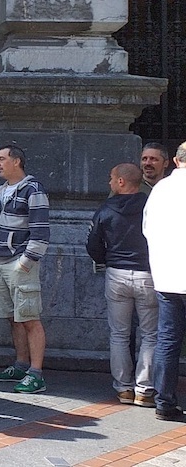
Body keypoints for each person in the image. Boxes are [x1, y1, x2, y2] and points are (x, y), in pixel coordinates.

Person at [87, 162, 156, 407]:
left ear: (121, 182)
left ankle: (124, 388)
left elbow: (93, 244)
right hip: (147, 273)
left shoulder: (105, 209)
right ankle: (144, 389)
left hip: (116, 272)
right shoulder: (151, 206)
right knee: (150, 335)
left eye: (111, 177)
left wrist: (106, 260)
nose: (108, 182)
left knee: (119, 334)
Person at [0, 144, 50, 394]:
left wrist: (25, 263)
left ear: (17, 161)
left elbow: (41, 231)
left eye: (1, 158)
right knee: (13, 317)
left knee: (30, 318)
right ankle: (21, 365)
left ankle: (36, 374)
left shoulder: (33, 190)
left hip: (18, 263)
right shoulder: (2, 190)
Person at [144, 140, 186, 421]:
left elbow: (147, 229)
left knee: (168, 340)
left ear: (176, 161)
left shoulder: (160, 189)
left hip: (167, 276)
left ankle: (164, 401)